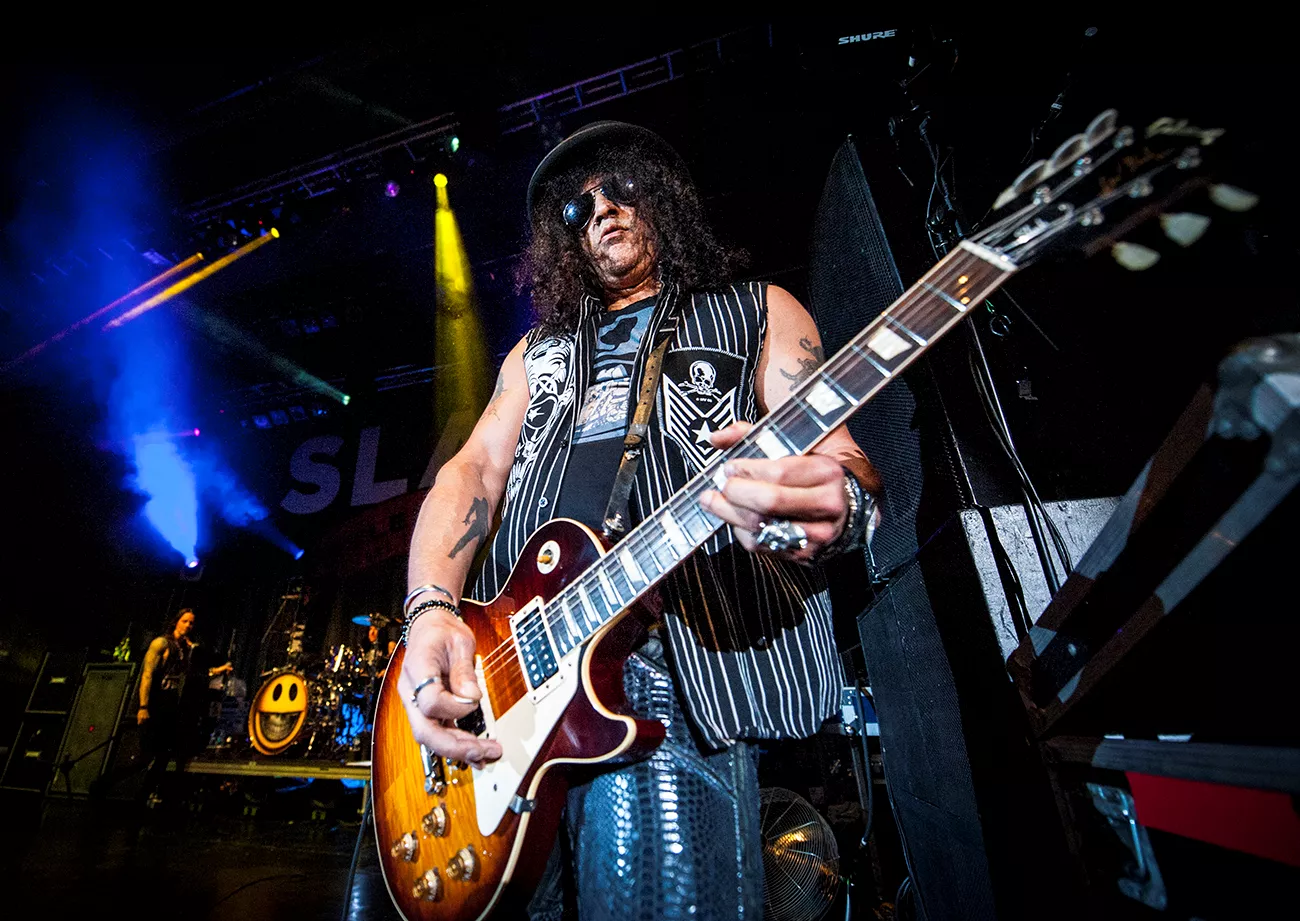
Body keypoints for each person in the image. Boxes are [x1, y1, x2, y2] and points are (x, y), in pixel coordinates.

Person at [399, 121, 881, 919]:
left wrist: (842, 499)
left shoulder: (756, 310)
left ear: (660, 198)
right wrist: (429, 611)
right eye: (578, 208)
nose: (601, 211)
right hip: (507, 676)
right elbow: (471, 472)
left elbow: (847, 460)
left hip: (665, 664)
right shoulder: (535, 352)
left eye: (619, 189)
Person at [133, 607, 232, 807]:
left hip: (171, 706)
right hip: (155, 704)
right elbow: (147, 675)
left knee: (163, 758)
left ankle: (141, 800)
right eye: (185, 621)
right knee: (144, 758)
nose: (188, 625)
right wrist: (143, 706)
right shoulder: (161, 643)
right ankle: (103, 785)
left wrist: (220, 669)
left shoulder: (185, 650)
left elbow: (197, 674)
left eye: (191, 623)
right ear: (176, 622)